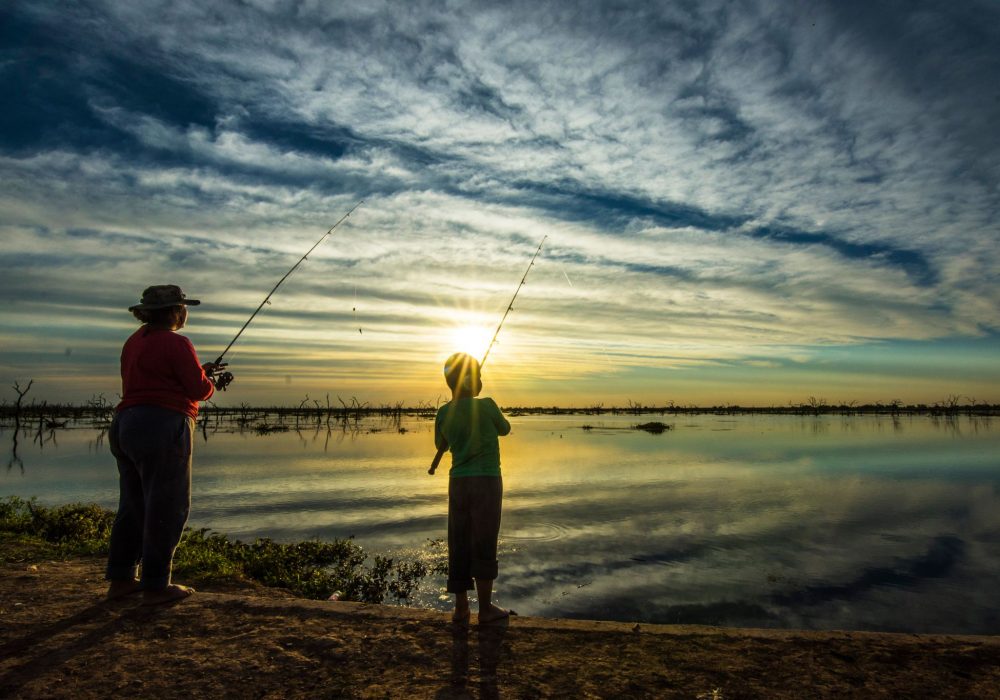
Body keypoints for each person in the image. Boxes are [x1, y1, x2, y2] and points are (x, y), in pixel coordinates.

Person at [105, 285, 221, 605]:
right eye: (182, 308)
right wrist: (208, 382)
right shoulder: (178, 342)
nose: (184, 313)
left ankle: (121, 578)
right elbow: (198, 390)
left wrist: (202, 372)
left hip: (126, 424)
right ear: (174, 312)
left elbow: (159, 377)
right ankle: (157, 584)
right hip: (163, 426)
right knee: (167, 506)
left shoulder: (134, 342)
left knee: (133, 504)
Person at [434, 352, 514, 624]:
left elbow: (440, 444)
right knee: (484, 539)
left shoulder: (443, 413)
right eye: (478, 375)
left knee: (458, 540)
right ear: (473, 381)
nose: (480, 379)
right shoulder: (488, 406)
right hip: (488, 482)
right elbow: (505, 428)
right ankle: (485, 608)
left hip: (458, 483)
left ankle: (460, 609)